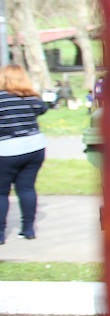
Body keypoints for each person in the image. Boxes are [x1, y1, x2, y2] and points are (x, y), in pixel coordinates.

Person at [0, 64, 49, 244]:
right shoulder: (30, 99)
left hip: (6, 150)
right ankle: (28, 229)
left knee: (2, 193)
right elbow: (43, 108)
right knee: (27, 188)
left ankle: (0, 234)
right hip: (34, 148)